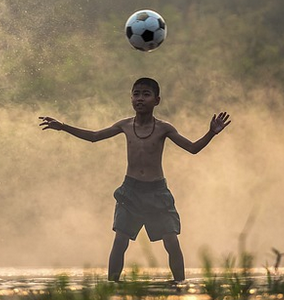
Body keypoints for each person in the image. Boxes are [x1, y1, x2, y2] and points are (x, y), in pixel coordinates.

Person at [38, 77, 230, 283]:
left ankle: (180, 286)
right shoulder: (125, 125)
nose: (140, 99)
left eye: (146, 94)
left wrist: (211, 132)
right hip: (131, 192)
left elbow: (192, 148)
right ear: (131, 98)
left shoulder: (164, 128)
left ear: (157, 100)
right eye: (136, 94)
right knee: (120, 242)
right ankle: (111, 287)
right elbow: (94, 136)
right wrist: (63, 127)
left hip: (157, 192)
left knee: (172, 242)